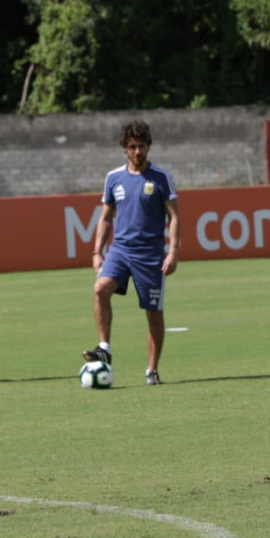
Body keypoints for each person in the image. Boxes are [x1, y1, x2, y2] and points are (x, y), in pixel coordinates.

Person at [83, 120, 181, 385]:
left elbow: (174, 217)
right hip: (120, 251)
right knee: (100, 288)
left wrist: (172, 253)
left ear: (148, 146)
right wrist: (96, 252)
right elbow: (105, 218)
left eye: (141, 146)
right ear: (125, 149)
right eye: (132, 147)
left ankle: (152, 369)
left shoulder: (161, 177)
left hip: (150, 256)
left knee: (153, 313)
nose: (137, 151)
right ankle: (104, 348)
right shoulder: (114, 178)